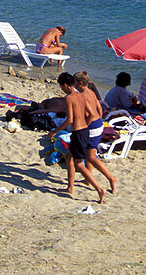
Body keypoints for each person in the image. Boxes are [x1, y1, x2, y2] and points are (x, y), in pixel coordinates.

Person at [46, 72, 107, 203]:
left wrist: (55, 132)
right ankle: (70, 187)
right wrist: (85, 123)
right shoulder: (82, 95)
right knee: (69, 157)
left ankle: (99, 189)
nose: (62, 89)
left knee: (79, 164)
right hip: (84, 131)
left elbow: (69, 120)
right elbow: (92, 113)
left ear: (66, 86)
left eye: (62, 87)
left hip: (78, 133)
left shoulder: (69, 98)